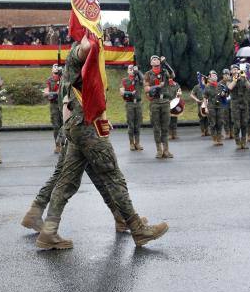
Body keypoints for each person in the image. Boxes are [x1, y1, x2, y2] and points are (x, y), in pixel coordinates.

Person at [35, 35, 168, 250]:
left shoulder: (78, 67)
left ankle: (48, 231)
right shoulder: (78, 53)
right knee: (113, 176)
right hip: (87, 126)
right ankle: (137, 229)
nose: (102, 41)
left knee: (67, 180)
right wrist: (90, 31)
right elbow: (84, 48)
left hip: (78, 126)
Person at [143, 55, 176, 158]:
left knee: (165, 127)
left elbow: (173, 75)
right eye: (153, 59)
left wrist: (165, 63)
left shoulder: (164, 72)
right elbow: (146, 89)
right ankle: (159, 150)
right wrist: (157, 86)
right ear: (151, 63)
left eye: (157, 59)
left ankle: (166, 150)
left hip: (165, 102)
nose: (155, 60)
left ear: (159, 62)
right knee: (156, 127)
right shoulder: (148, 74)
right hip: (155, 102)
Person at [120, 64, 144, 151]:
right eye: (130, 69)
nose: (132, 70)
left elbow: (143, 80)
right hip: (129, 103)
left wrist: (138, 72)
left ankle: (137, 143)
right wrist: (129, 93)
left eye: (133, 69)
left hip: (138, 103)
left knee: (138, 124)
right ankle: (131, 143)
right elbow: (122, 92)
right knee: (131, 124)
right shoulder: (124, 80)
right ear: (127, 71)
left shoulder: (139, 79)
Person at [227, 64, 250, 149]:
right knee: (237, 124)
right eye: (233, 69)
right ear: (231, 71)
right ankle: (237, 142)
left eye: (237, 69)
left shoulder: (243, 78)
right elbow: (230, 87)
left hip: (244, 104)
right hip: (235, 105)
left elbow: (249, 87)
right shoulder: (229, 79)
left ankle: (244, 142)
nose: (235, 71)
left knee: (244, 124)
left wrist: (245, 78)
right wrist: (235, 80)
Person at [43, 64, 63, 153]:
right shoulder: (49, 80)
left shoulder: (64, 79)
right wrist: (49, 93)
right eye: (54, 73)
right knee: (56, 126)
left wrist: (54, 93)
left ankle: (65, 145)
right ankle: (58, 145)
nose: (56, 75)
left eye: (57, 73)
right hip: (54, 105)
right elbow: (46, 91)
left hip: (64, 104)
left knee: (65, 125)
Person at [204, 71, 223, 146]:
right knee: (213, 123)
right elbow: (205, 98)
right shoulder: (207, 87)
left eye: (216, 75)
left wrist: (223, 94)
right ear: (210, 77)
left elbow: (224, 95)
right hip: (211, 107)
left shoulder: (220, 86)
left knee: (219, 123)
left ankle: (219, 138)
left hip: (219, 106)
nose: (215, 76)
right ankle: (214, 138)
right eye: (213, 75)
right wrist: (206, 107)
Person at [189, 73, 209, 138]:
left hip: (207, 104)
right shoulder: (197, 87)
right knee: (201, 118)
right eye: (201, 79)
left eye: (203, 79)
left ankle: (207, 131)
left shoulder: (207, 86)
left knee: (207, 118)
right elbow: (191, 94)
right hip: (200, 104)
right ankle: (203, 131)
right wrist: (196, 99)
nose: (202, 80)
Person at [218, 70, 232, 140]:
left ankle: (232, 132)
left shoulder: (232, 81)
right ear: (223, 75)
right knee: (225, 118)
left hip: (232, 102)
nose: (227, 76)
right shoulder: (220, 83)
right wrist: (226, 87)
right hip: (224, 103)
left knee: (232, 118)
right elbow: (221, 94)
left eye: (228, 74)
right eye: (225, 74)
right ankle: (227, 132)